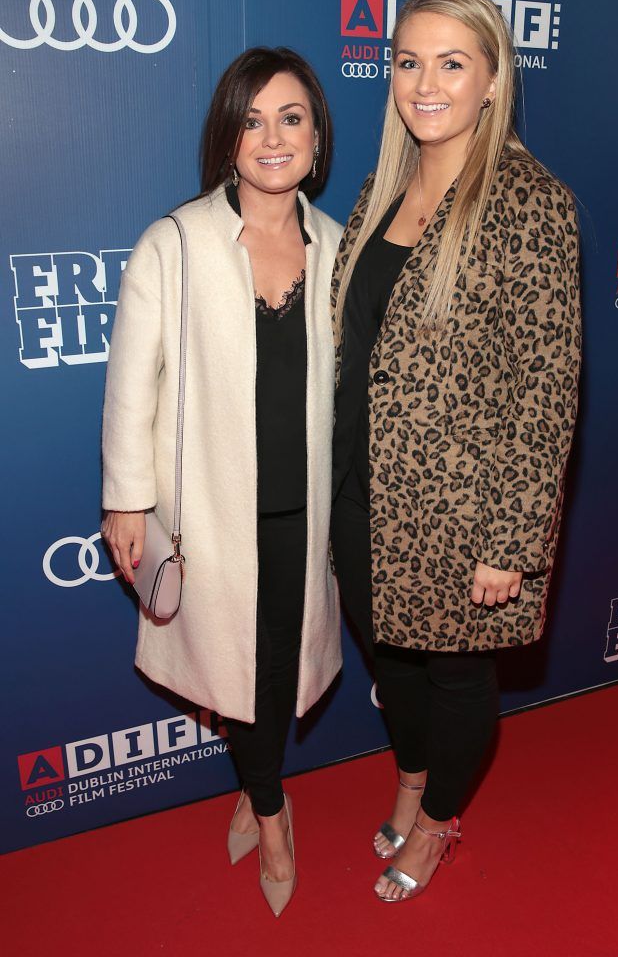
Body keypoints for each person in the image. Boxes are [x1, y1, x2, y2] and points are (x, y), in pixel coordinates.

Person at [330, 0, 581, 903]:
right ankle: (409, 776)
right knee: (390, 661)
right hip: (361, 491)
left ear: (490, 81)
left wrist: (510, 544)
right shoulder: (378, 188)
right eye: (408, 61)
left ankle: (436, 821)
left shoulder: (530, 202)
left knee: (455, 676)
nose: (424, 83)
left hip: (462, 512)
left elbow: (546, 391)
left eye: (450, 63)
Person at [101, 47, 342, 917]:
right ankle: (272, 813)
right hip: (210, 515)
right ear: (226, 136)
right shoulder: (175, 242)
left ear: (317, 135)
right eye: (251, 119)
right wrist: (126, 499)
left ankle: (254, 785)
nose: (271, 138)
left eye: (290, 118)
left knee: (276, 671)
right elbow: (133, 379)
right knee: (242, 669)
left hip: (305, 515)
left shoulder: (338, 248)